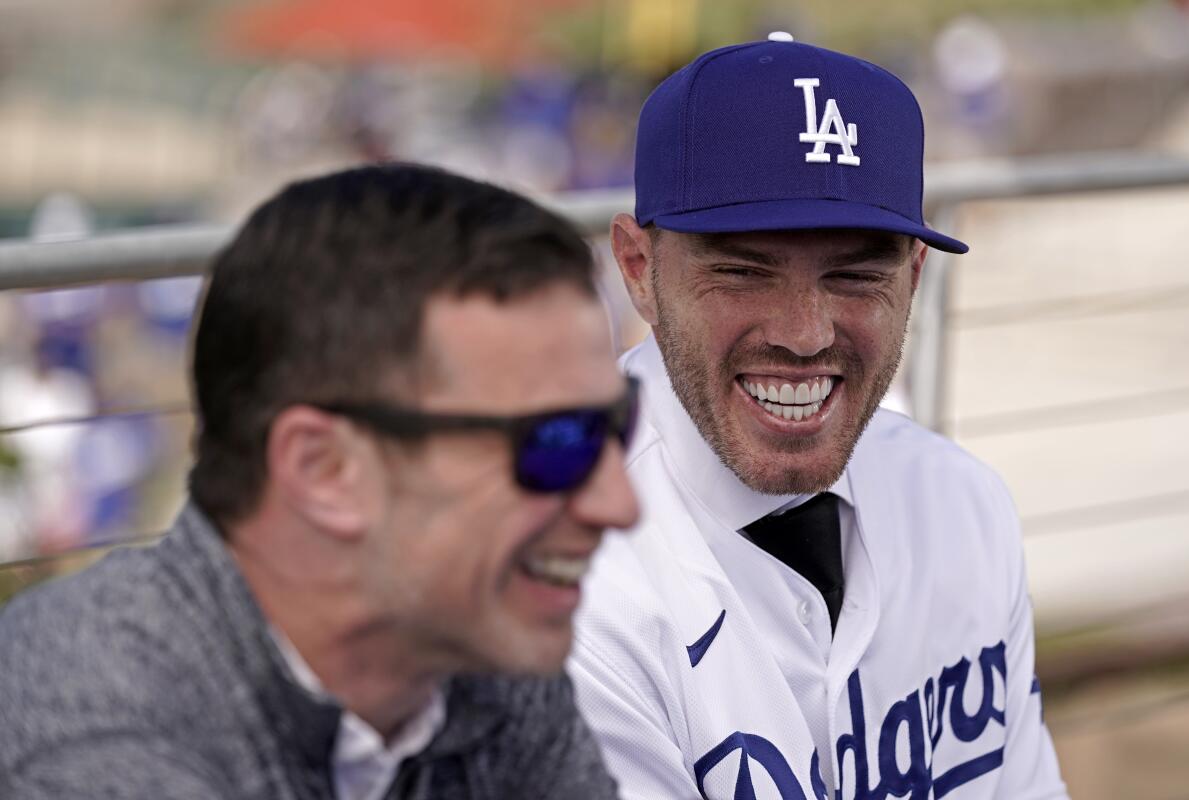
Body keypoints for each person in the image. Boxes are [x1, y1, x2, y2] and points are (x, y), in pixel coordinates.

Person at [0, 164, 639, 799]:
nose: (621, 503)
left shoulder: (474, 650)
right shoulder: (91, 734)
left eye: (619, 422)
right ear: (323, 470)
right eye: (557, 442)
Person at [567, 33, 1069, 799]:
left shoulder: (965, 504)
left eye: (856, 273)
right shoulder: (557, 584)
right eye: (741, 270)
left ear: (914, 276)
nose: (805, 333)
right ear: (639, 270)